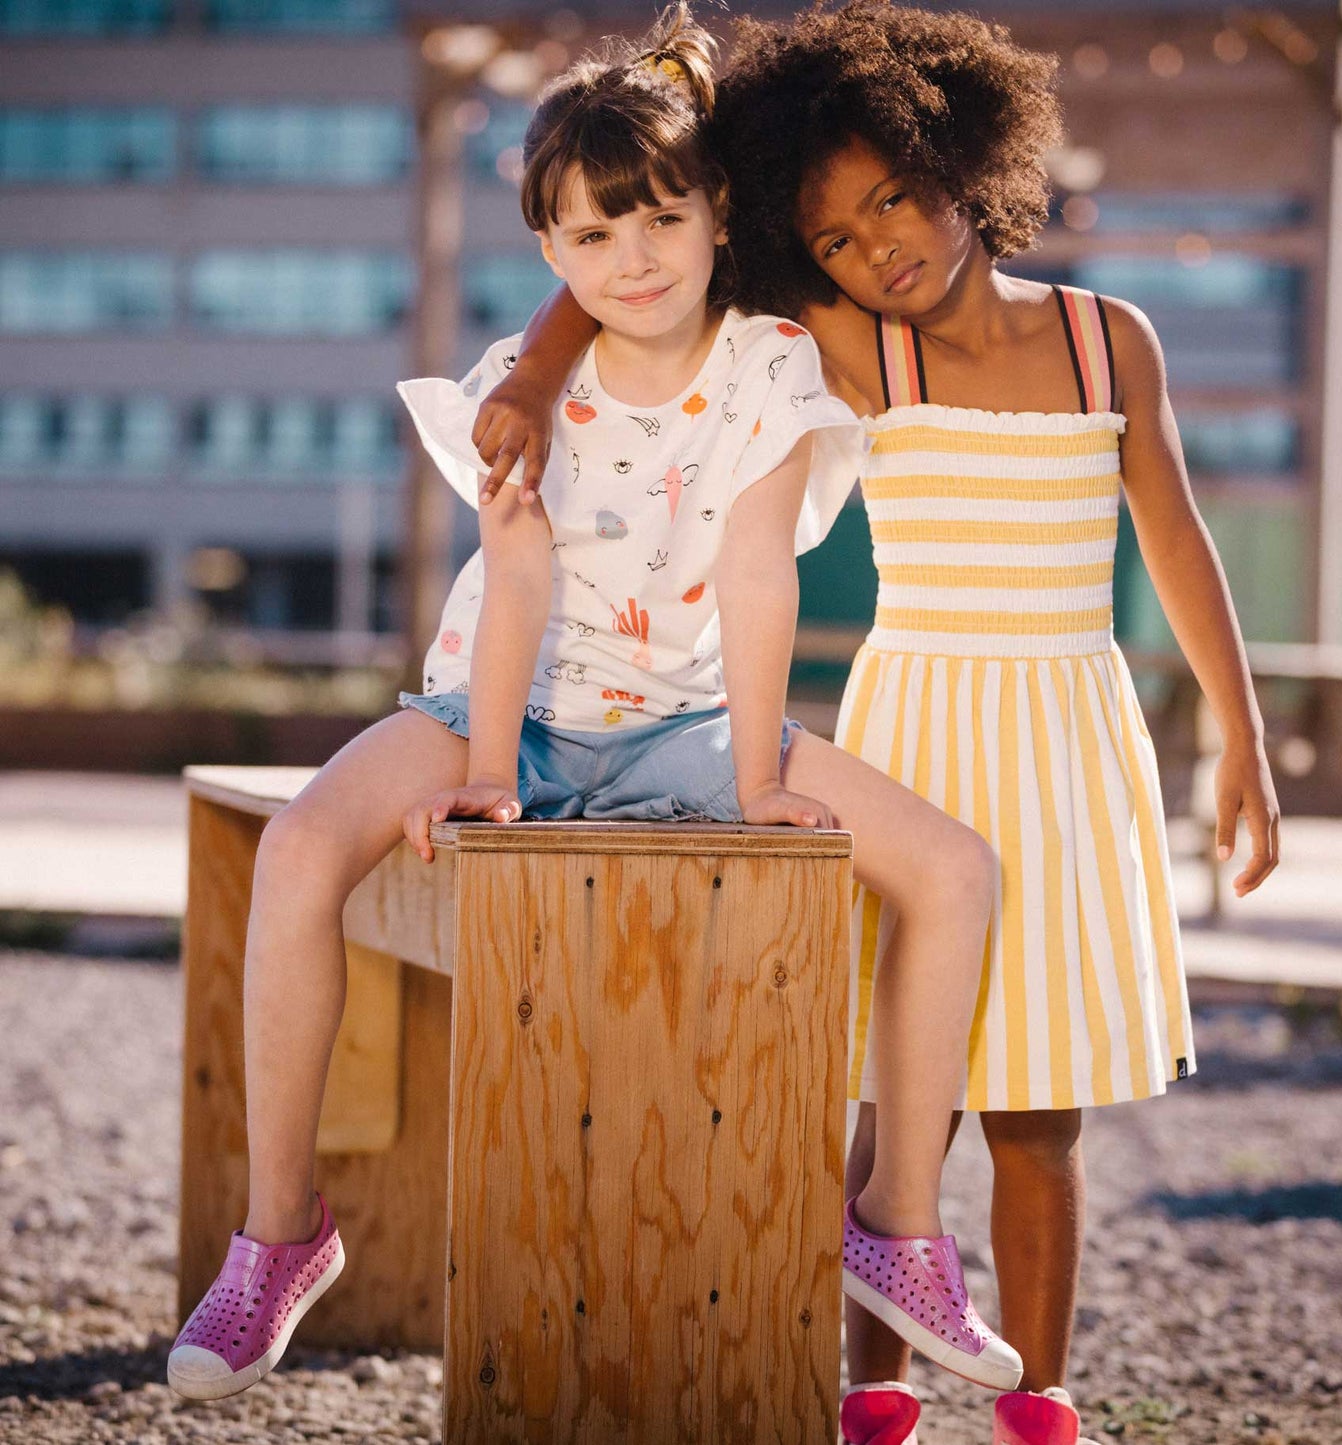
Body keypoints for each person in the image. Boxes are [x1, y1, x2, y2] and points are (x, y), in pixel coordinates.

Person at [166, 5, 1023, 1416]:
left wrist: (758, 776)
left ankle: (898, 1219)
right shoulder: (530, 384)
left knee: (953, 867)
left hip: (688, 724)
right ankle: (277, 1234)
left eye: (658, 222)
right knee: (305, 843)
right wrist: (489, 767)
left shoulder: (764, 364)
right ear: (550, 252)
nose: (630, 259)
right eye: (588, 235)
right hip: (502, 705)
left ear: (713, 219)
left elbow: (756, 569)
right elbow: (513, 584)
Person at [471, 6, 1281, 1442]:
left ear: (960, 163)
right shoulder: (837, 344)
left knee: (1043, 1110)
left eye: (893, 201)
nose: (875, 248)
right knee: (895, 1090)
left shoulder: (1108, 343)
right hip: (918, 724)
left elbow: (1174, 536)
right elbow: (637, 258)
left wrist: (1240, 737)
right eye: (834, 236)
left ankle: (1037, 1394)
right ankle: (876, 1394)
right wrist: (532, 377)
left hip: (1073, 738)